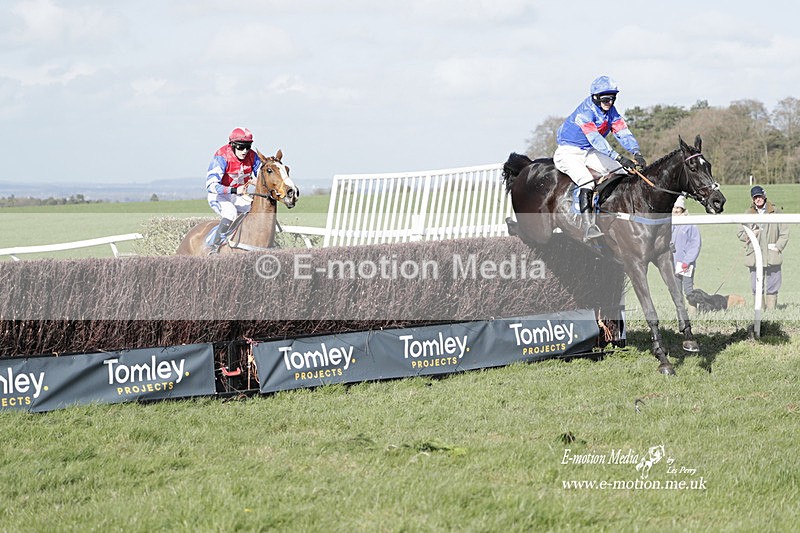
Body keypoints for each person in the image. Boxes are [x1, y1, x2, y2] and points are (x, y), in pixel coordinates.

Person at [554, 75, 647, 241]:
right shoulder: (585, 113)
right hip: (568, 152)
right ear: (595, 97)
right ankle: (588, 226)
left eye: (613, 98)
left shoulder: (611, 112)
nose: (609, 102)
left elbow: (622, 132)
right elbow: (596, 140)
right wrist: (619, 156)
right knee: (586, 180)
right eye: (605, 98)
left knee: (625, 171)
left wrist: (636, 152)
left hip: (588, 151)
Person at [206, 127, 263, 254]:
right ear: (232, 145)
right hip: (219, 196)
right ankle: (214, 247)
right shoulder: (221, 157)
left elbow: (262, 176)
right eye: (241, 147)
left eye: (248, 147)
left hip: (238, 195)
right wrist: (234, 190)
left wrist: (257, 181)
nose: (245, 151)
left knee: (255, 212)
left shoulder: (252, 156)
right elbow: (210, 186)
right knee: (230, 212)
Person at [737, 185, 790, 310]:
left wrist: (778, 247)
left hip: (772, 255)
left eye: (760, 196)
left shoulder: (776, 212)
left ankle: (771, 313)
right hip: (754, 255)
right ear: (752, 199)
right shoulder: (747, 213)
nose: (758, 199)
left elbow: (784, 232)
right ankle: (759, 312)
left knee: (773, 285)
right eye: (755, 197)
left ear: (764, 196)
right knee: (756, 286)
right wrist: (750, 234)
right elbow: (740, 233)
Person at [670, 195, 702, 313]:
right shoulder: (668, 223)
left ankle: (693, 313)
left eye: (678, 208)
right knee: (676, 291)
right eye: (674, 207)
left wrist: (687, 261)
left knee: (688, 290)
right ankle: (681, 314)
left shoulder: (690, 224)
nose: (675, 210)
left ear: (683, 209)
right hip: (672, 263)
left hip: (686, 264)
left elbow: (695, 244)